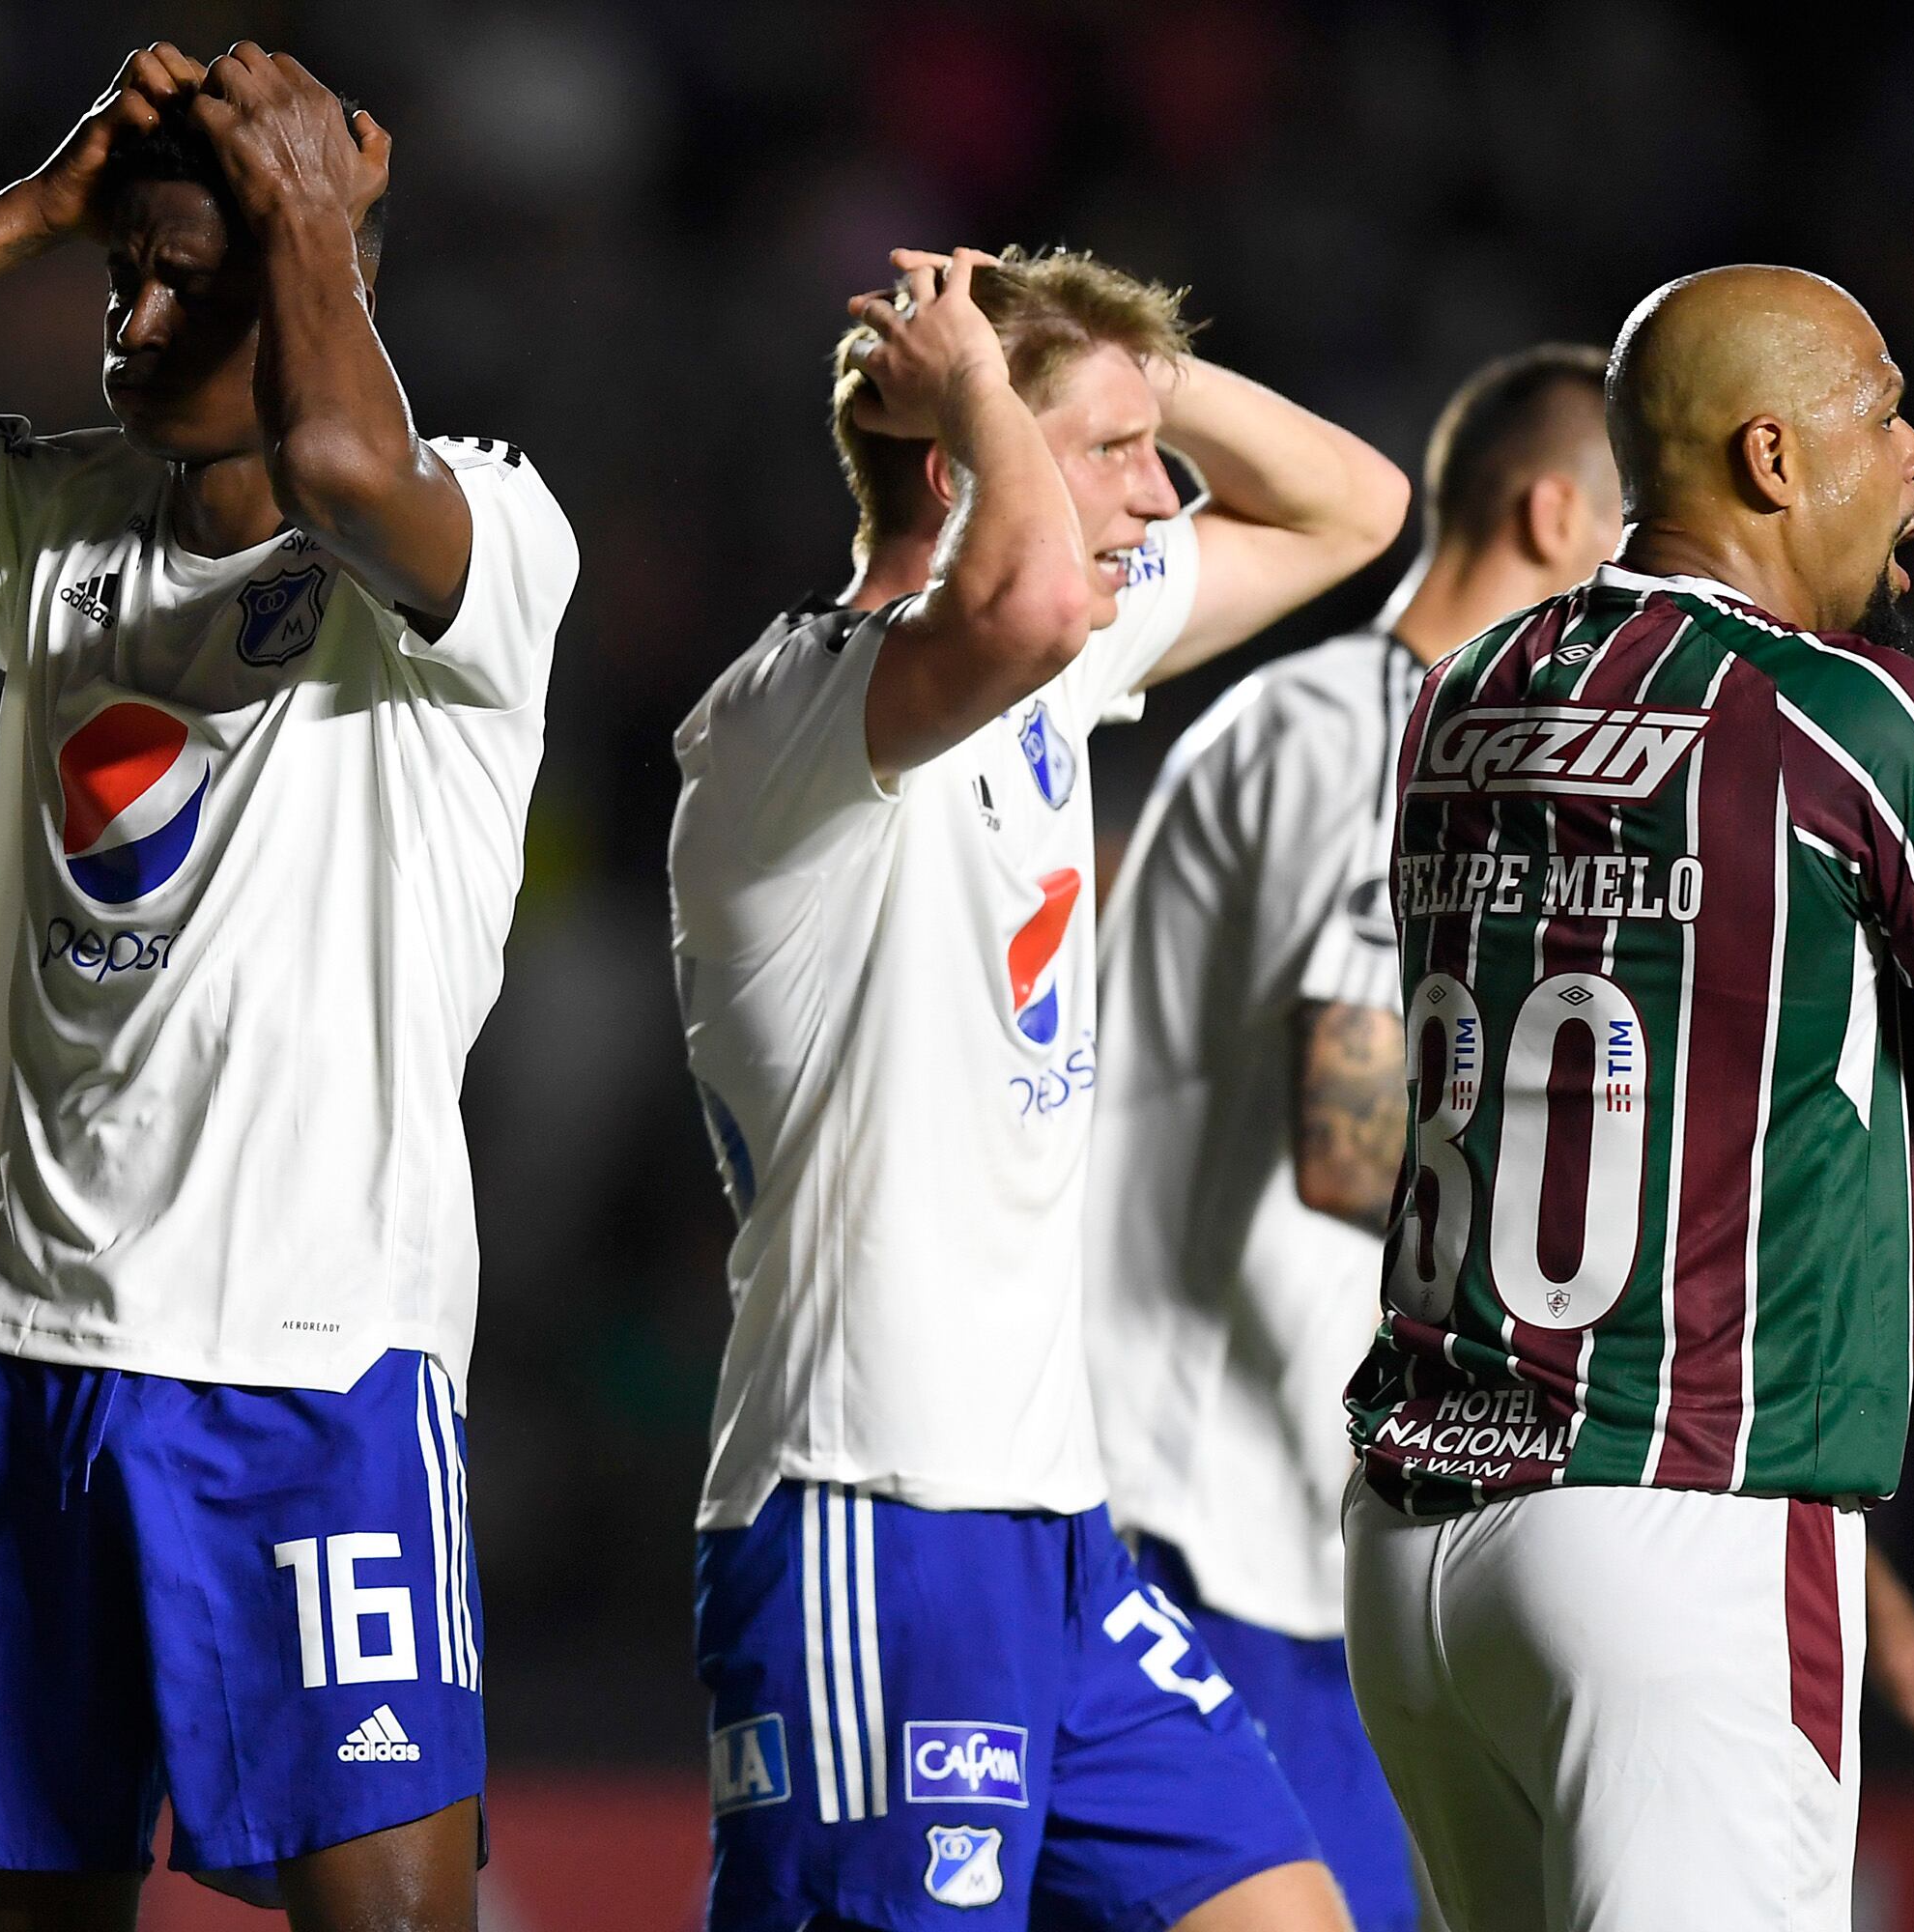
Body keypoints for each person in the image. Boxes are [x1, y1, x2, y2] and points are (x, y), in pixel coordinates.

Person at [0, 42, 577, 1932]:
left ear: (310, 284)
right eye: (115, 272)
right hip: (35, 1367)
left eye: (174, 276)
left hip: (310, 1377)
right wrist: (28, 210)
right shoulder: (50, 516)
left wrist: (313, 211)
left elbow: (335, 457)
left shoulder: (481, 534)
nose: (125, 317)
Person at [1337, 265, 1914, 1932]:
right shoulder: (1851, 715)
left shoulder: (1464, 697)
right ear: (1772, 458)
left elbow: (1710, 976)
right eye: (1883, 408)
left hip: (1418, 1546)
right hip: (1673, 1529)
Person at [668, 244, 1407, 1932]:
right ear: (962, 456)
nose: (1166, 495)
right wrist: (997, 392)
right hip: (876, 1509)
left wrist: (1119, 361)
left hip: (1051, 1527)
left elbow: (1354, 511)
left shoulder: (1049, 673)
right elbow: (1016, 600)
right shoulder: (796, 714)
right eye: (1118, 456)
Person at [1085, 343, 1624, 1932]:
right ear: (1548, 516)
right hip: (1212, 1521)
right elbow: (1347, 1132)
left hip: (1286, 1526)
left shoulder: (1392, 736)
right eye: (1634, 547)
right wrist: (1623, 1245)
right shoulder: (1370, 737)